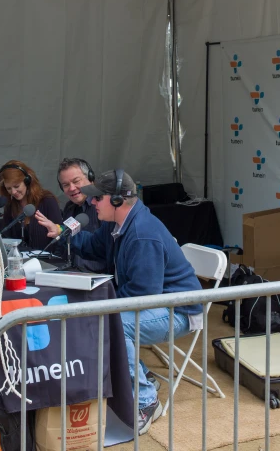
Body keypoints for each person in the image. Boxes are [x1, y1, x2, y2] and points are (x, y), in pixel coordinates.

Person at [36, 168, 203, 435]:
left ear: (116, 201)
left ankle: (146, 400)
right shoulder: (116, 225)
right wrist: (60, 231)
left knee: (114, 322)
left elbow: (142, 297)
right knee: (106, 316)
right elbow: (92, 246)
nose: (91, 203)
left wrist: (101, 308)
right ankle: (141, 375)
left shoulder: (141, 234)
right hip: (156, 302)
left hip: (180, 311)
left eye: (97, 198)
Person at [0, 160, 62, 252]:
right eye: (9, 188)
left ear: (27, 181)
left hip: (48, 262)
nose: (13, 192)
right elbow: (6, 237)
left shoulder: (47, 200)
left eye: (16, 186)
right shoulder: (10, 206)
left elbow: (61, 232)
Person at [56, 157, 105, 272]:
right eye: (66, 185)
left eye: (76, 181)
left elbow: (106, 248)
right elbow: (64, 243)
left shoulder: (103, 206)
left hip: (96, 277)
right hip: (70, 272)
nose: (72, 188)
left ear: (91, 178)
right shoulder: (69, 207)